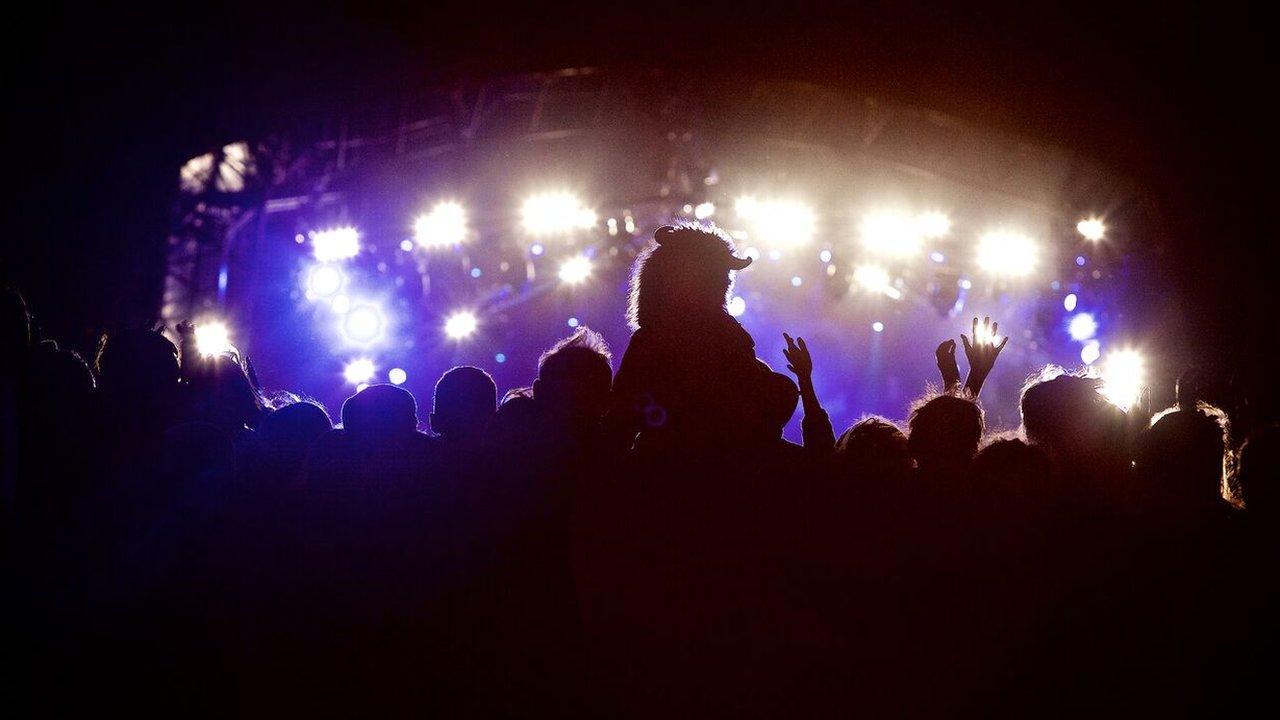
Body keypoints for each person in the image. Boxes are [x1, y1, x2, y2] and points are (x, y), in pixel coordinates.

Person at [610, 223, 765, 457]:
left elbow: (621, 418)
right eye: (721, 273)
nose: (725, 281)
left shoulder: (649, 339)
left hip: (659, 470)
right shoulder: (731, 338)